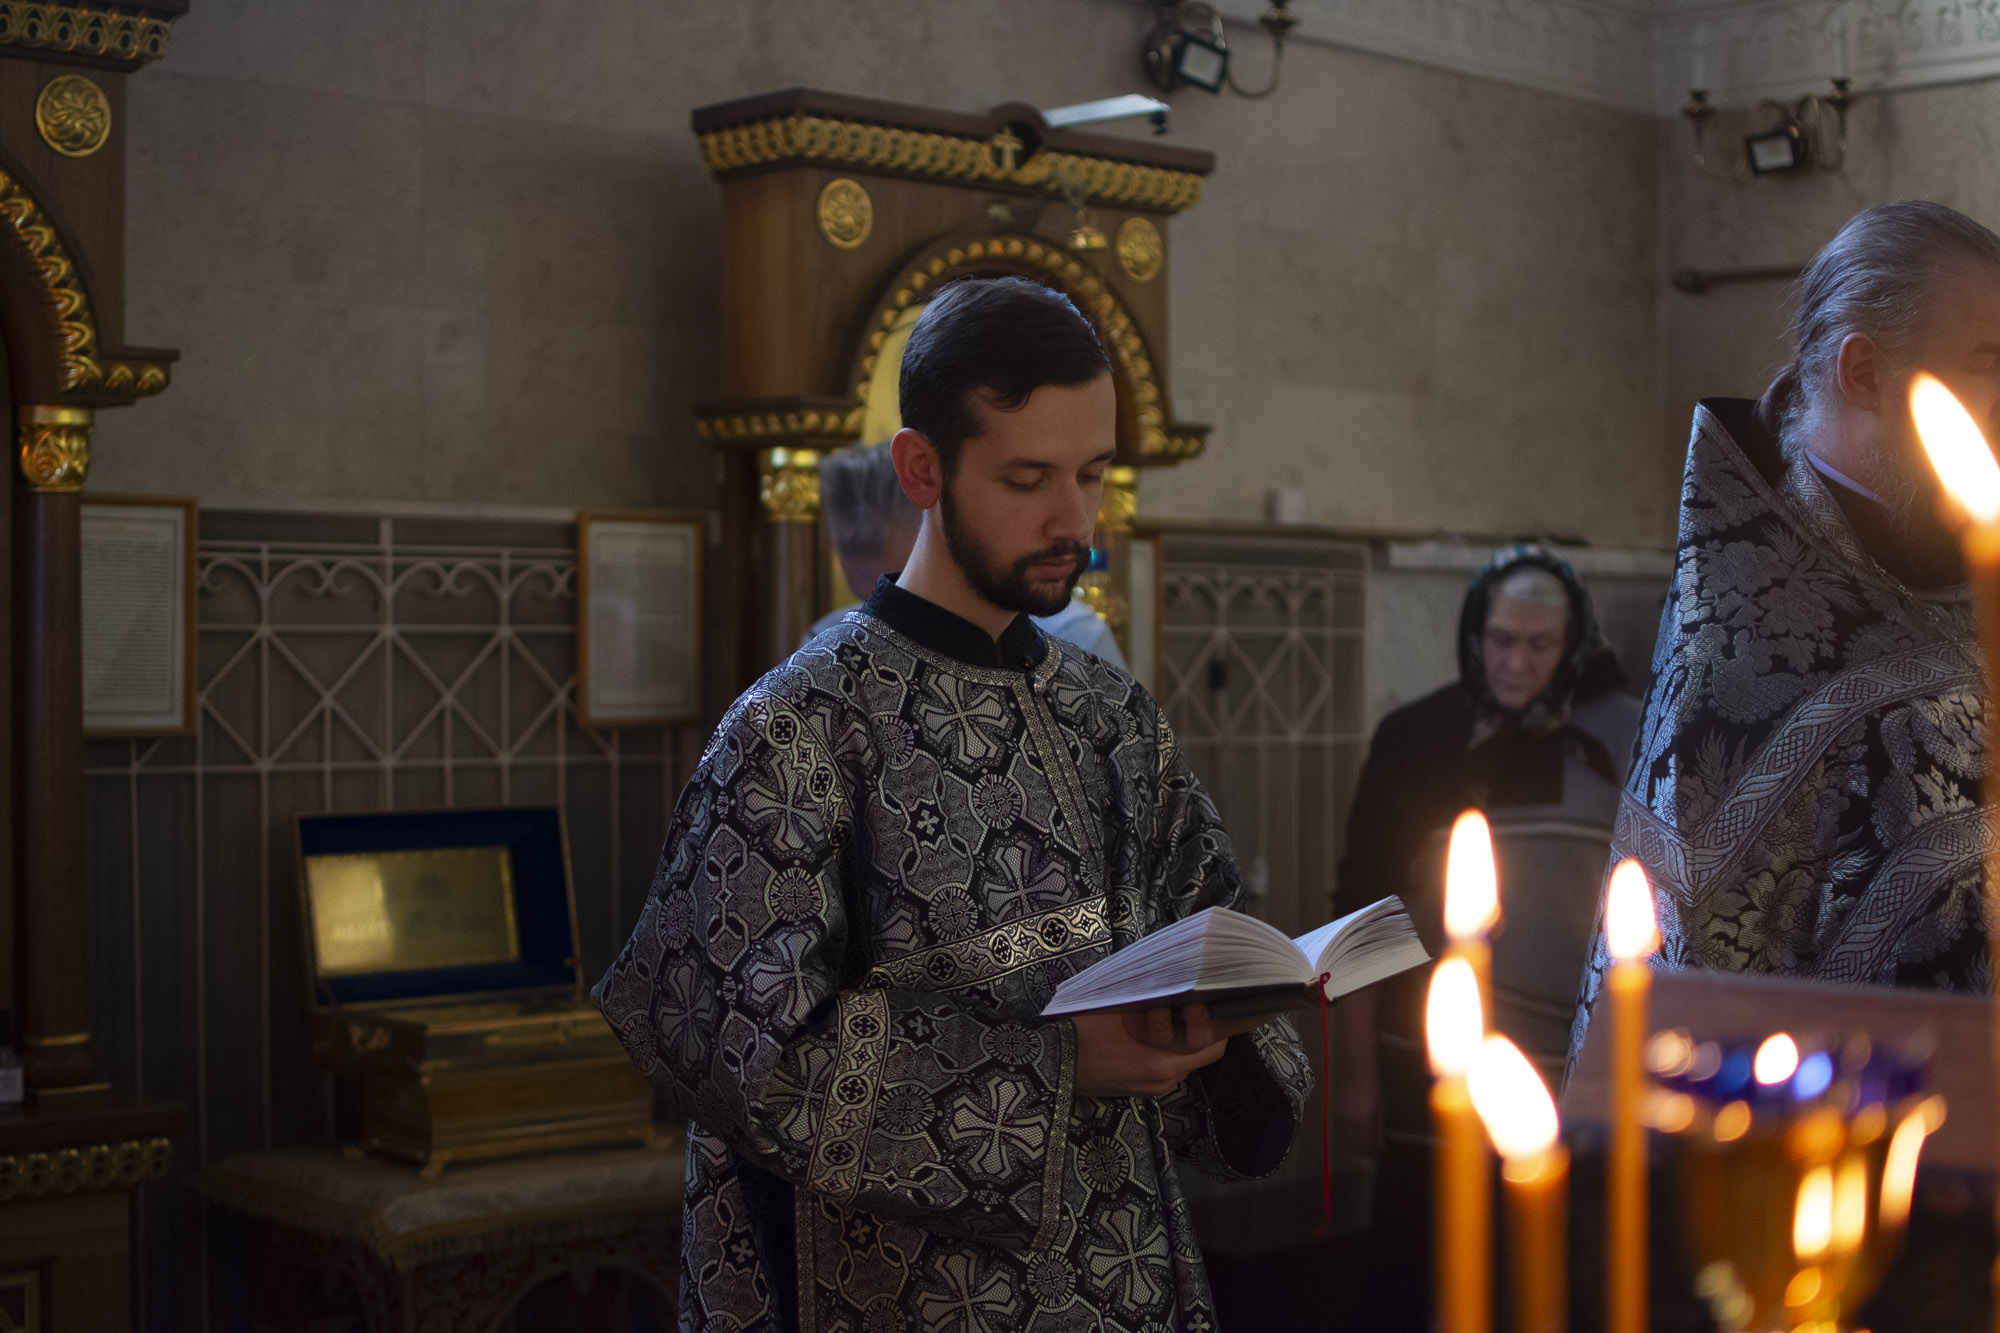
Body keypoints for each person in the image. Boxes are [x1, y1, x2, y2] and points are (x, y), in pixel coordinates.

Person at [597, 275, 1311, 1333]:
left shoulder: (1112, 718)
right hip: (899, 1299)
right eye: (1028, 478)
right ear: (921, 468)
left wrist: (1221, 1027)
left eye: (1093, 474)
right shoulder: (798, 729)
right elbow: (737, 1054)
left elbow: (1212, 937)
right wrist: (1060, 1068)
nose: (1075, 518)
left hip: (1123, 1289)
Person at [1570, 200, 2000, 1072]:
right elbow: (1692, 1024)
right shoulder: (1742, 655)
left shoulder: (1969, 574)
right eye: (1988, 366)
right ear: (1864, 372)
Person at [1331, 544, 1637, 1329]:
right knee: (1420, 1267)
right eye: (1501, 639)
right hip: (1429, 1059)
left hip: (1567, 1062)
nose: (1516, 662)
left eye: (1540, 644)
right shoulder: (1417, 736)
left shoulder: (1622, 736)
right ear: (1475, 632)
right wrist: (1358, 1074)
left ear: (1575, 643)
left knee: (1543, 1276)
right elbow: (1361, 907)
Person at [807, 439, 1130, 669]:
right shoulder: (828, 647)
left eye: (903, 587)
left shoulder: (1072, 639)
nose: (883, 620)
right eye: (867, 598)